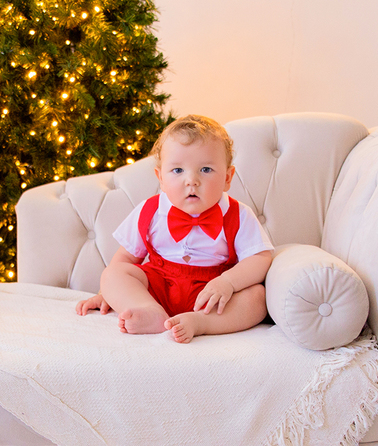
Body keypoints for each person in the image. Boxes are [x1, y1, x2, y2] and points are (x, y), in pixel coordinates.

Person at [75, 115, 273, 343]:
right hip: (158, 287)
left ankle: (201, 323)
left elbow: (260, 258)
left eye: (206, 169)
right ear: (161, 178)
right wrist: (107, 294)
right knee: (113, 273)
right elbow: (126, 258)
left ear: (227, 177)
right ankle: (148, 311)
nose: (192, 180)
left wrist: (227, 282)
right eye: (178, 170)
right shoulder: (150, 210)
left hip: (211, 293)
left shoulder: (238, 214)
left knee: (257, 297)